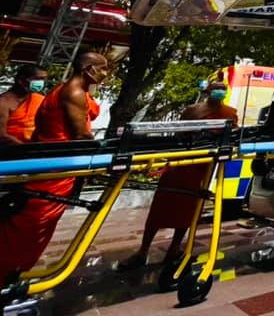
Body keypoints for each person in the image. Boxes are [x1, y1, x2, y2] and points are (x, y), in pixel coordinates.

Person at [0, 52, 110, 284]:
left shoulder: (61, 91)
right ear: (89, 69)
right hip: (54, 169)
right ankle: (6, 272)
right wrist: (103, 153)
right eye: (102, 69)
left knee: (32, 227)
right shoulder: (74, 93)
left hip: (48, 164)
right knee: (29, 227)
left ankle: (14, 273)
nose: (105, 74)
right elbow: (81, 137)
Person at [117, 78, 238, 270]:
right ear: (208, 91)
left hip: (202, 166)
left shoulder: (230, 113)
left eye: (222, 89)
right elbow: (178, 133)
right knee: (159, 209)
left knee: (189, 211)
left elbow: (231, 136)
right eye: (216, 89)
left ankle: (174, 249)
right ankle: (143, 251)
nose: (219, 92)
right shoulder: (192, 110)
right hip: (179, 164)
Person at [0, 64, 47, 144]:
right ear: (21, 80)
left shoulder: (40, 99)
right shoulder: (3, 103)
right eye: (38, 79)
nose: (41, 82)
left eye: (43, 79)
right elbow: (2, 135)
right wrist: (25, 147)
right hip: (11, 148)